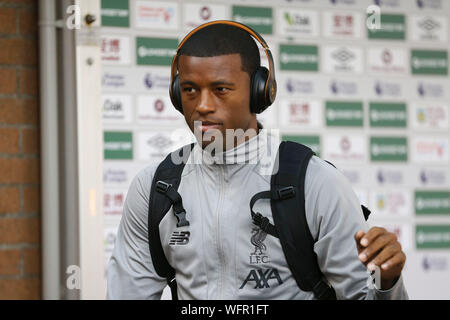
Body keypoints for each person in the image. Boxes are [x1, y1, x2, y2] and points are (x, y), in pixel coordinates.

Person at [106, 21, 408, 300]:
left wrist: (387, 281)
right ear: (175, 94)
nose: (203, 106)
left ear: (259, 91)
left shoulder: (315, 183)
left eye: (220, 89)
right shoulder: (154, 188)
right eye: (190, 90)